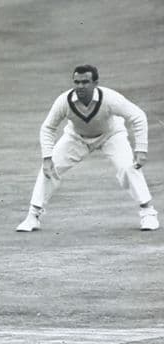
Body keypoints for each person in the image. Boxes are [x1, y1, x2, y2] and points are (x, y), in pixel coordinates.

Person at [17, 64, 159, 232]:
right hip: (76, 138)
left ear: (95, 83)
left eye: (85, 82)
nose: (80, 86)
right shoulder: (64, 101)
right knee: (48, 169)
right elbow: (47, 128)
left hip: (111, 135)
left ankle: (148, 213)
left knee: (128, 168)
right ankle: (33, 216)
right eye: (76, 82)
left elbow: (138, 116)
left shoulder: (110, 98)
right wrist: (47, 158)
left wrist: (141, 150)